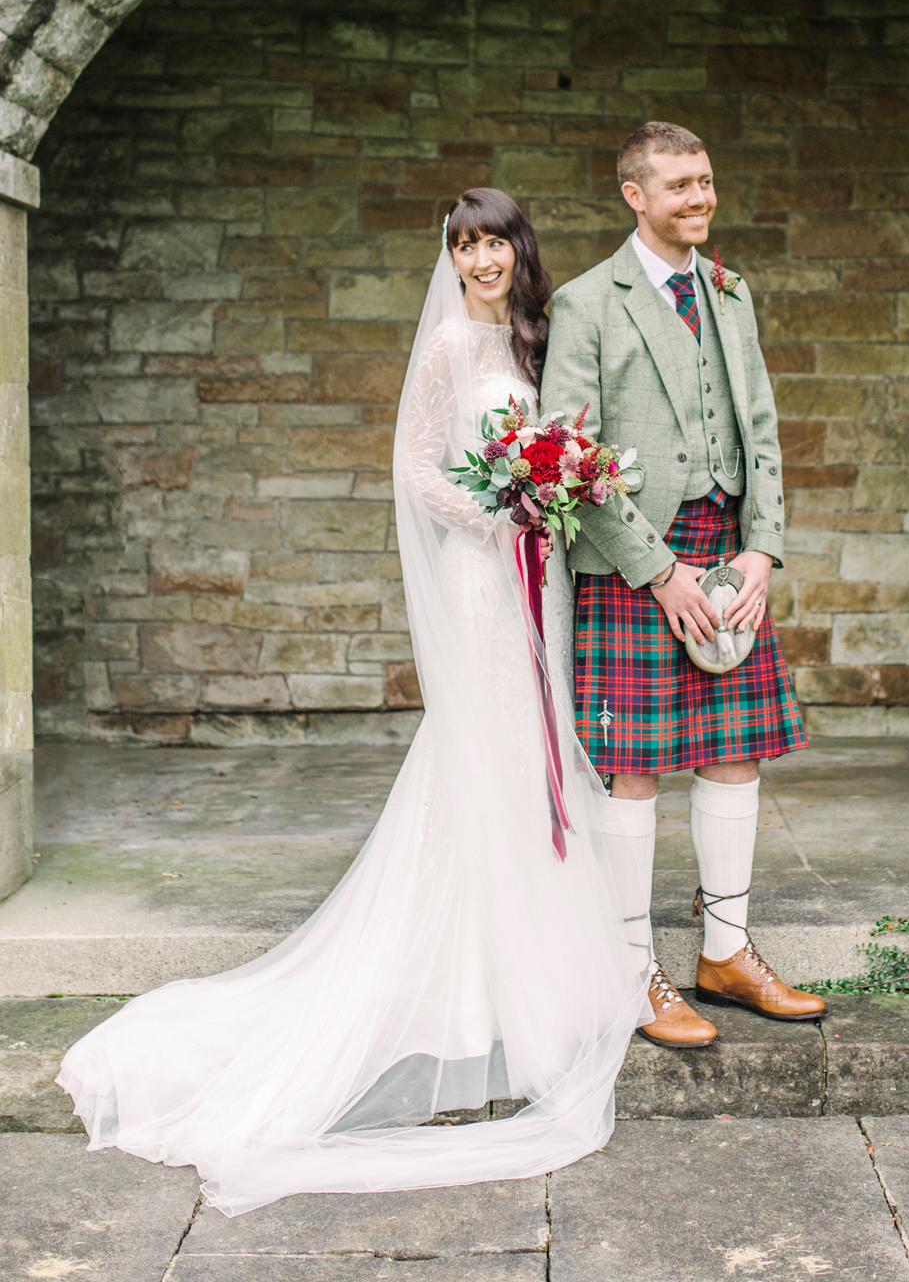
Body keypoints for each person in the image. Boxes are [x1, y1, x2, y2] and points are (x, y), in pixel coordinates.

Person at [56, 188, 647, 1216]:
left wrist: (553, 492)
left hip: (537, 574)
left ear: (520, 249)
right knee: (483, 748)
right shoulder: (446, 356)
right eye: (463, 246)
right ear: (451, 259)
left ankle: (525, 987)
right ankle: (461, 1002)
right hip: (482, 573)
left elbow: (568, 440)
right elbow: (415, 465)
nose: (480, 260)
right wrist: (495, 510)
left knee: (529, 754)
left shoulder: (536, 341)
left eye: (494, 242)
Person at [541, 123, 826, 1049]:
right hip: (639, 560)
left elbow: (764, 430)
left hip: (727, 549)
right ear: (635, 194)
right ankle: (633, 975)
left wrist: (762, 552)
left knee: (735, 753)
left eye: (706, 182)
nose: (699, 200)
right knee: (633, 770)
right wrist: (656, 569)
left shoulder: (733, 293)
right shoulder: (589, 301)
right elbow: (565, 454)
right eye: (679, 187)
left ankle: (727, 953)